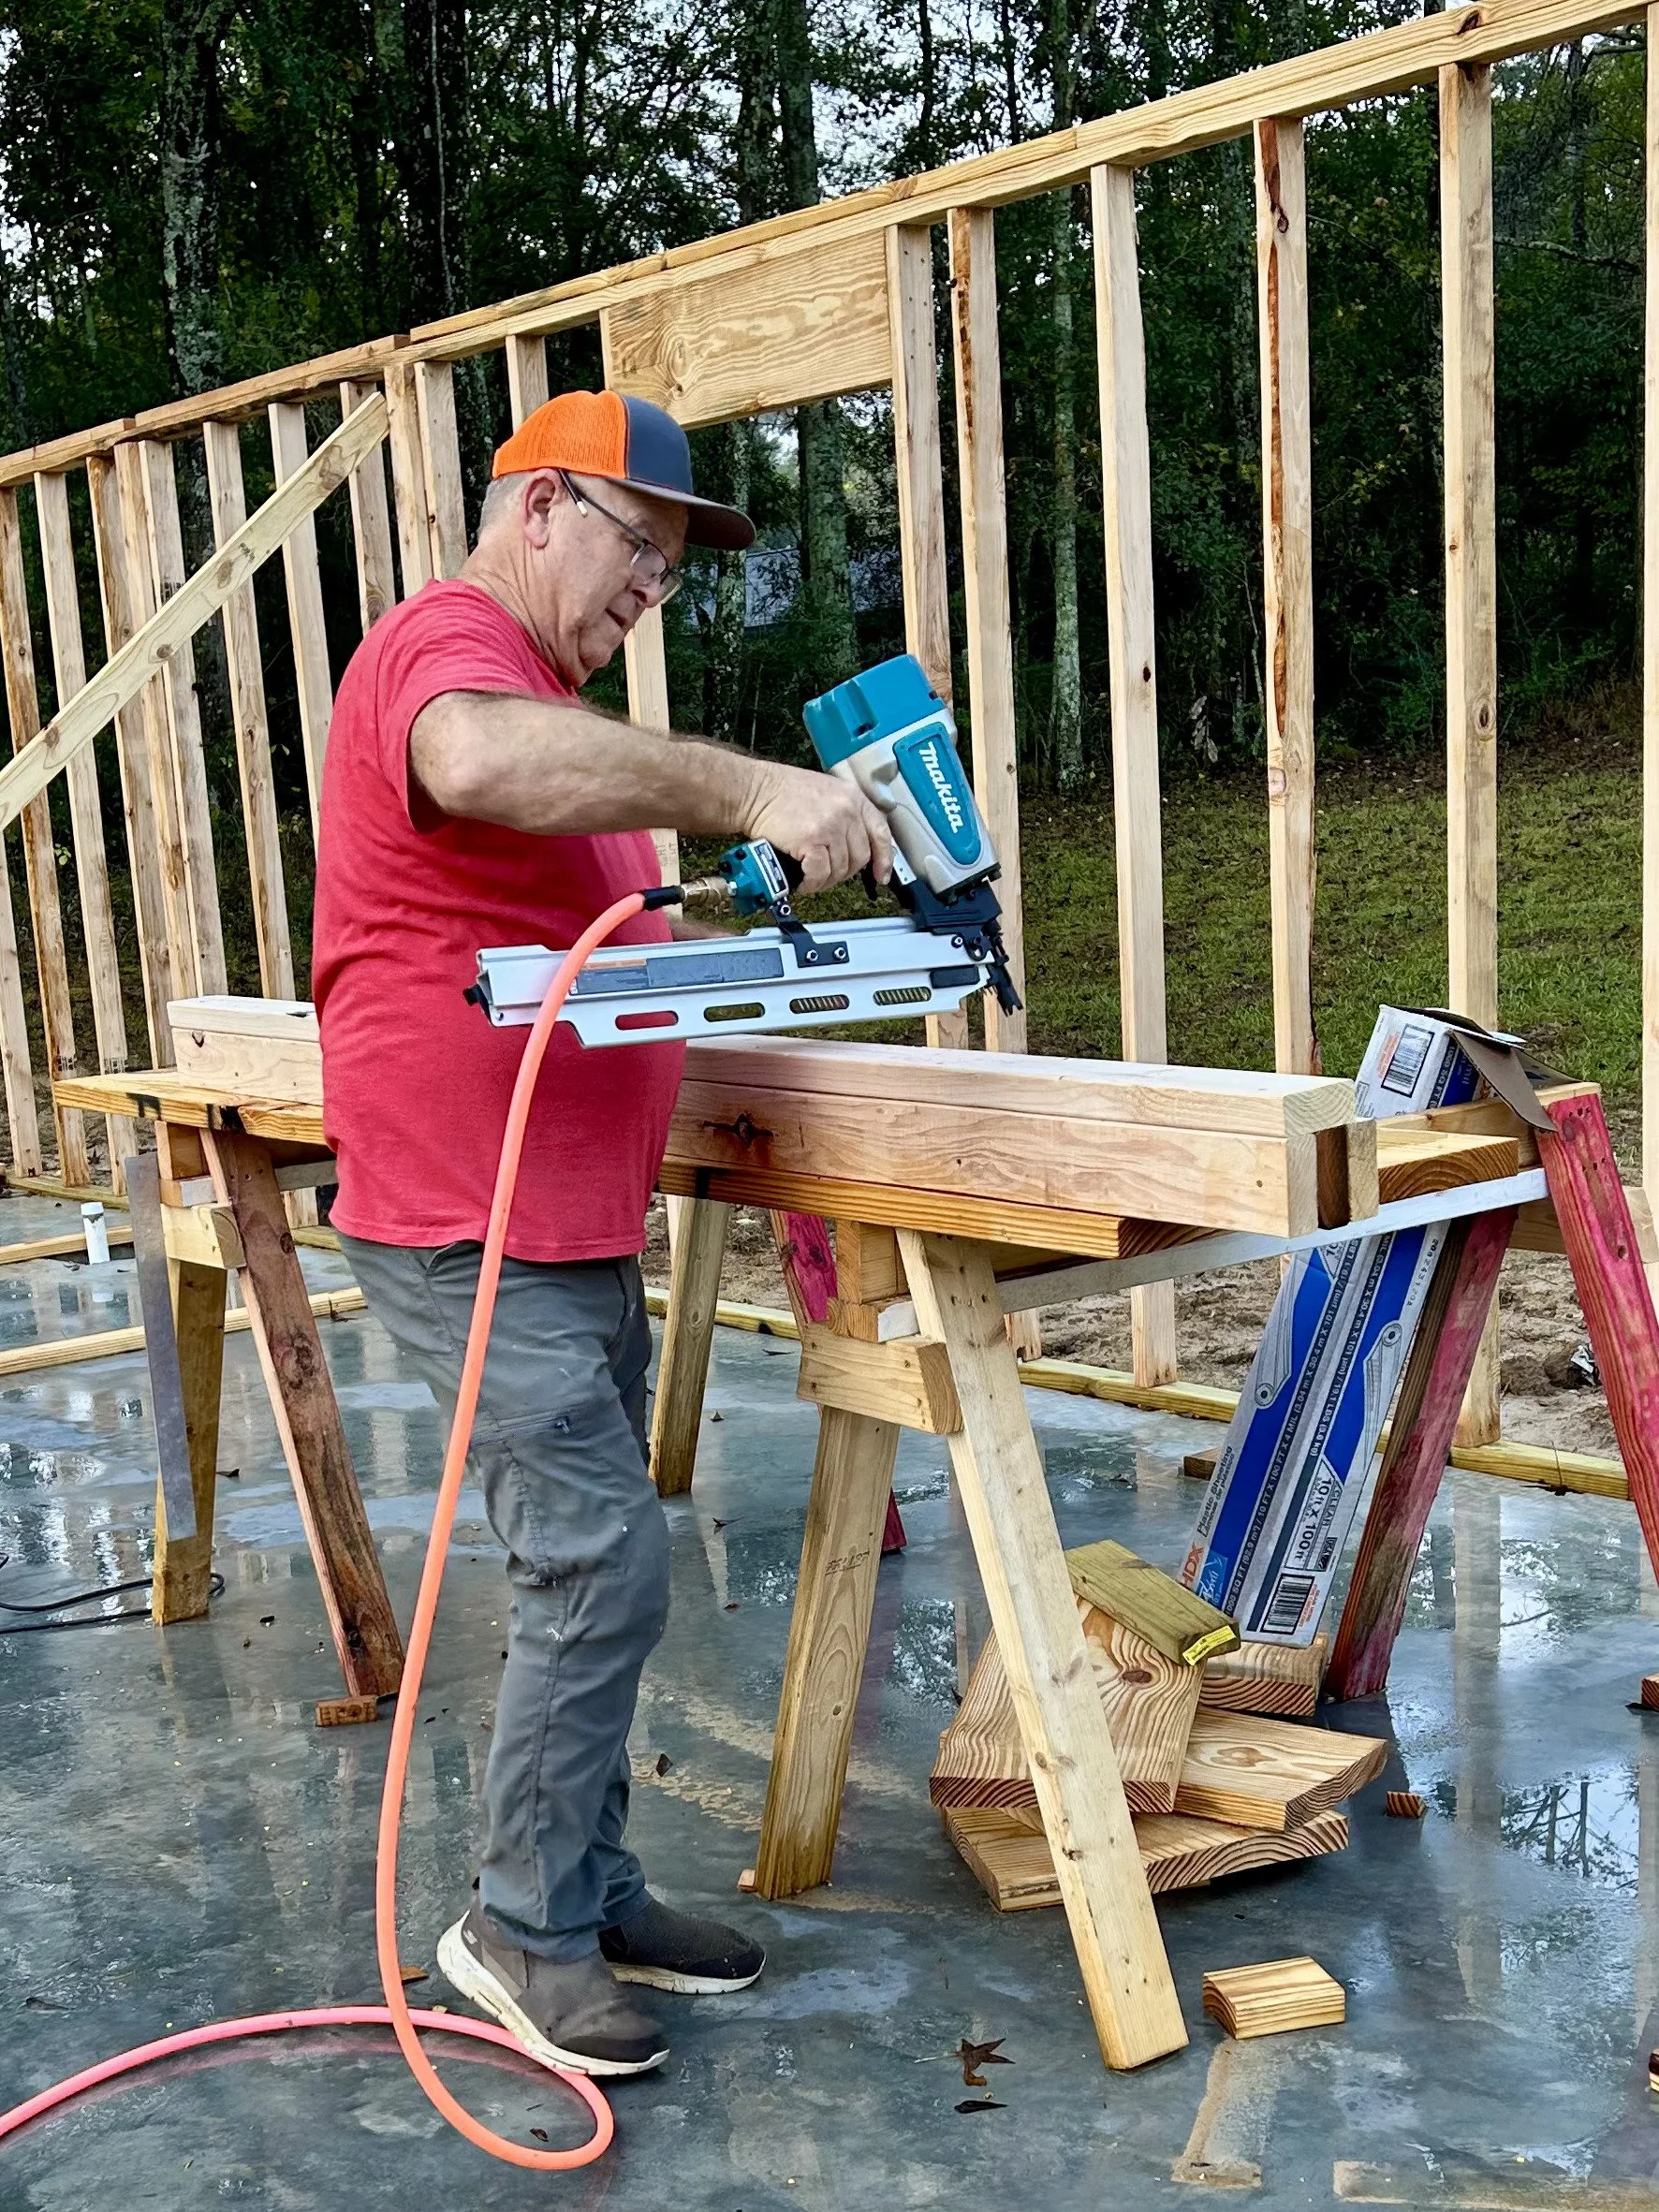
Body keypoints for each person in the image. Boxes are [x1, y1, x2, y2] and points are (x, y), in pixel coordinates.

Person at [312, 389, 891, 2076]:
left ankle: (589, 1878)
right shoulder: (452, 651)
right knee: (597, 1565)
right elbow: (471, 759)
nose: (657, 587)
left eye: (678, 567)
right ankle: (519, 1928)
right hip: (464, 1219)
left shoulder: (562, 717)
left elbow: (598, 923)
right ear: (543, 502)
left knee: (600, 1573)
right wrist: (749, 785)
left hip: (563, 1220)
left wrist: (750, 893)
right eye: (643, 546)